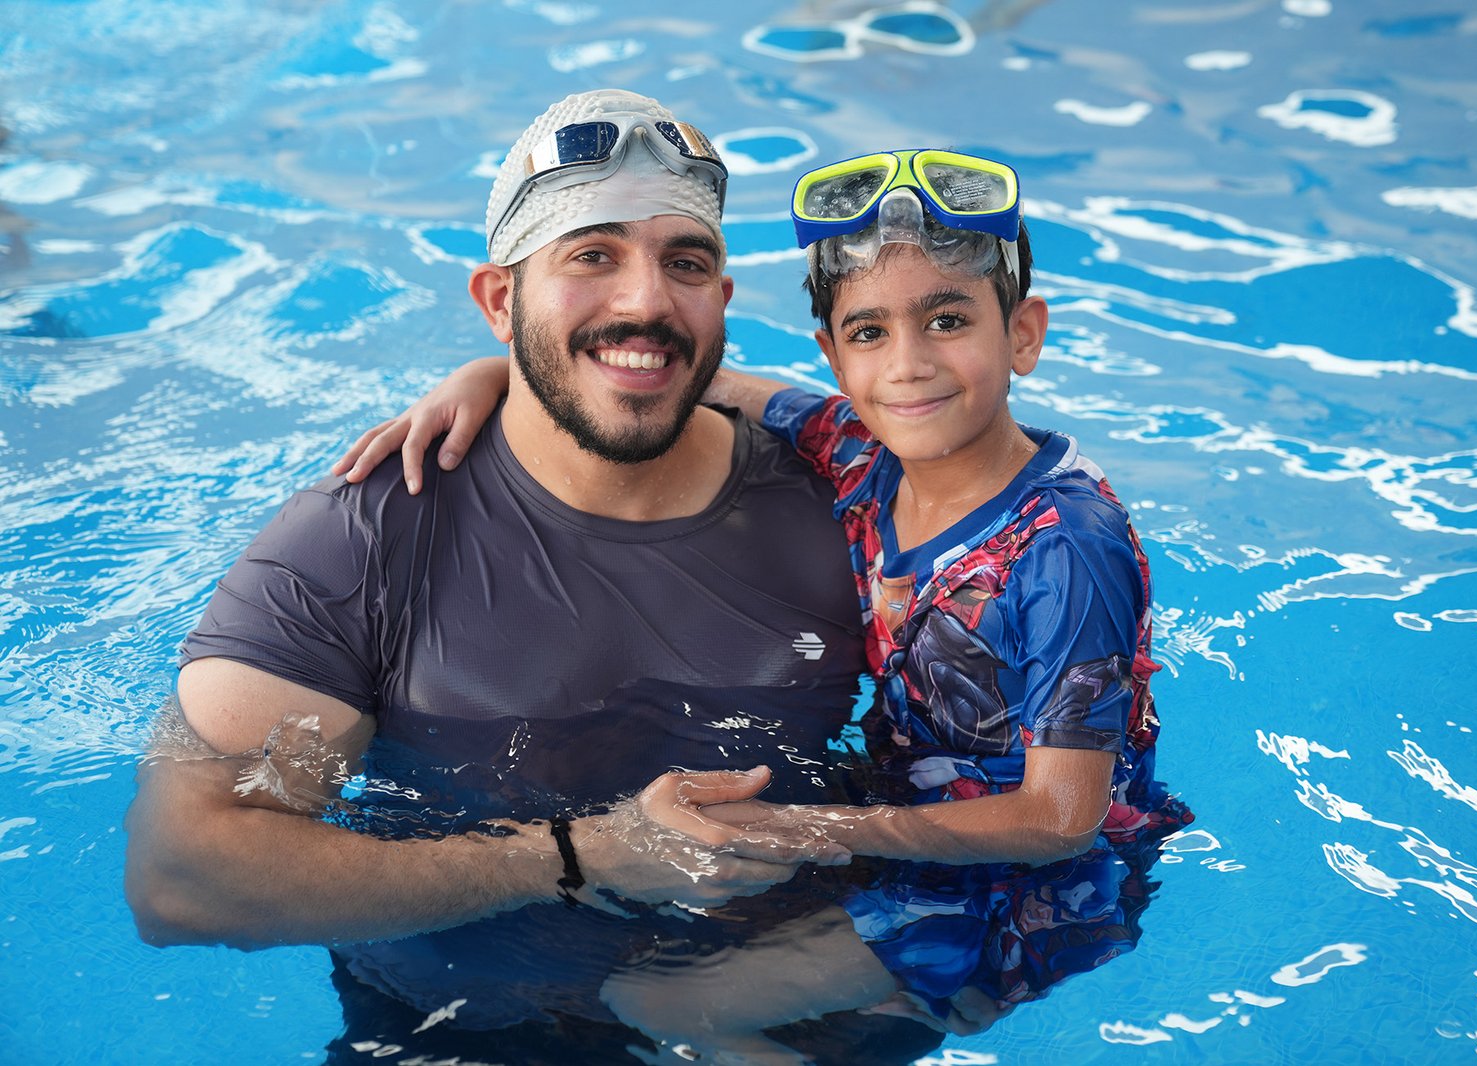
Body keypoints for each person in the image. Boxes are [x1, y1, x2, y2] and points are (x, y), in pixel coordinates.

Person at [123, 89, 947, 1062]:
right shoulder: (366, 538)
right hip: (468, 1032)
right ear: (499, 302)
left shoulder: (855, 507)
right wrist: (581, 856)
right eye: (591, 255)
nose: (645, 300)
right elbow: (180, 879)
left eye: (684, 263)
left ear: (720, 304)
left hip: (796, 1016)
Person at [341, 147, 1192, 1059]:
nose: (908, 365)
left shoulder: (1065, 547)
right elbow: (678, 376)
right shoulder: (863, 451)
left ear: (1022, 334)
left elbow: (1061, 819)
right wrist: (494, 374)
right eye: (869, 333)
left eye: (948, 321)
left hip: (1030, 885)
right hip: (915, 822)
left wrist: (808, 829)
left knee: (661, 1002)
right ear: (834, 356)